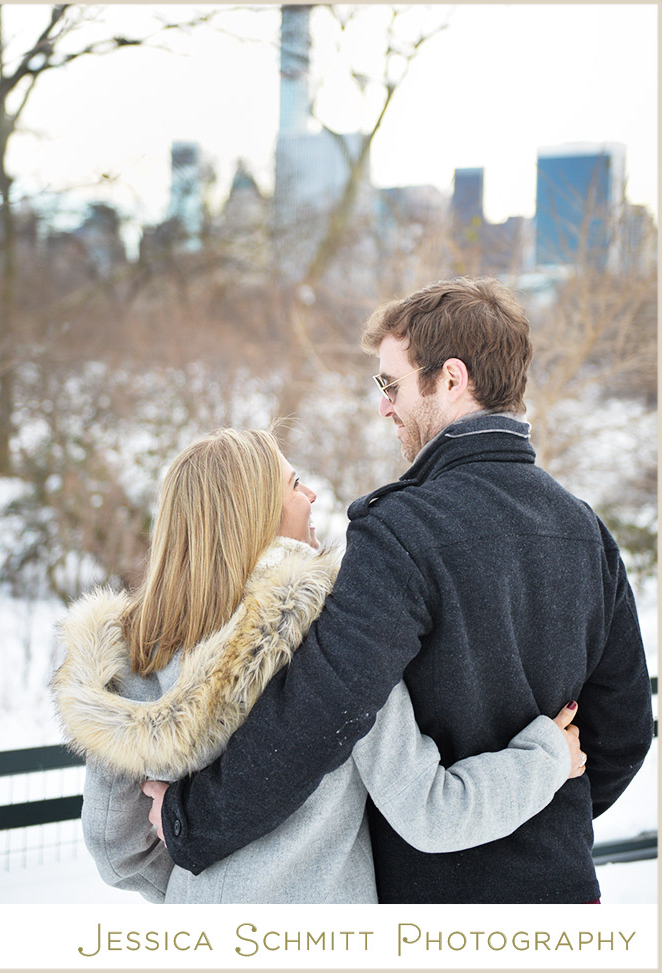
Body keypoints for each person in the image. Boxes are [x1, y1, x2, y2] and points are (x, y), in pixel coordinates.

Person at [145, 278, 653, 903]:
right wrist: (540, 810)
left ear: (451, 379)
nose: (383, 406)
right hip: (563, 896)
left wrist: (189, 821)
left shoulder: (400, 533)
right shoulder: (584, 530)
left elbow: (319, 718)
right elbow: (624, 730)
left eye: (392, 384)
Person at [53, 428, 586, 902]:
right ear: (252, 513)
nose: (311, 495)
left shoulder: (132, 658)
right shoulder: (333, 628)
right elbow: (430, 810)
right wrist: (547, 758)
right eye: (294, 484)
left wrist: (205, 893)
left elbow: (115, 845)